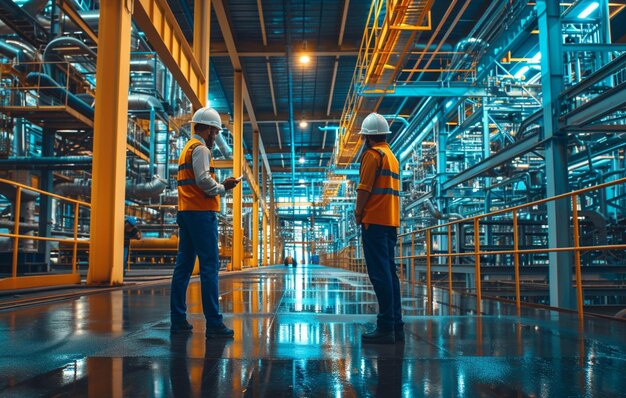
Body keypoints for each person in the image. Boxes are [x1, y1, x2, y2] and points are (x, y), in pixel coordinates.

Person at [170, 106, 240, 338]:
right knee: (210, 267)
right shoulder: (200, 149)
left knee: (183, 267)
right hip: (201, 214)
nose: (216, 136)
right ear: (208, 129)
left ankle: (178, 319)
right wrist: (223, 187)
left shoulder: (186, 149)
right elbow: (203, 180)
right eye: (216, 132)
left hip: (187, 212)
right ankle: (214, 324)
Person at [354, 112, 403, 344]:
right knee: (390, 274)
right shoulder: (392, 156)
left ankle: (385, 326)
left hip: (374, 221)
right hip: (391, 222)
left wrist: (358, 213)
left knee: (379, 274)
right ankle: (395, 323)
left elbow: (364, 188)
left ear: (366, 136)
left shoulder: (372, 155)